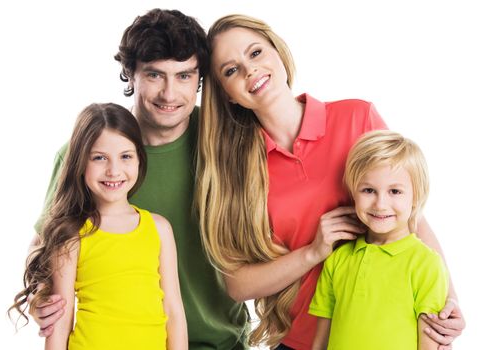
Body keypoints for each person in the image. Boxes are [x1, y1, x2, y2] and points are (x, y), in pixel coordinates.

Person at [196, 14, 464, 350]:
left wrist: (447, 303)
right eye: (231, 70)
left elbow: (412, 218)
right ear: (228, 94)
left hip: (389, 334)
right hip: (300, 341)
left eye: (255, 53)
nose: (250, 70)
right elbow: (237, 285)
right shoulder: (235, 170)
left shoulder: (357, 117)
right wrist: (312, 253)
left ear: (278, 52)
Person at [26, 9, 248, 350]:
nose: (170, 94)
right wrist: (43, 296)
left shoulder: (225, 140)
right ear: (130, 75)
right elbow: (46, 244)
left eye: (185, 76)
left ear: (200, 79)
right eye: (155, 75)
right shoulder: (84, 155)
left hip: (221, 341)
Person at [9, 103, 187, 349]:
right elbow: (61, 320)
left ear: (139, 159)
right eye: (99, 158)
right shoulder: (71, 235)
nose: (114, 171)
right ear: (81, 163)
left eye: (125, 156)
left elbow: (174, 311)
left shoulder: (159, 229)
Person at [309, 130, 448, 350]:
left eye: (395, 191)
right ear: (353, 193)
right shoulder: (337, 259)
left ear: (416, 197)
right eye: (368, 190)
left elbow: (430, 342)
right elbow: (320, 342)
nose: (380, 204)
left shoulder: (426, 263)